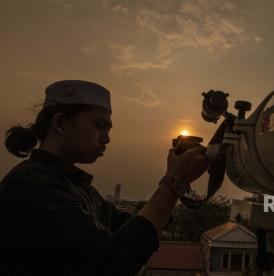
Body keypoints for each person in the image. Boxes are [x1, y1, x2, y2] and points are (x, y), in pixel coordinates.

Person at [0, 80, 208, 276]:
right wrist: (174, 181)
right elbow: (113, 261)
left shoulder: (74, 185)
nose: (106, 138)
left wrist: (179, 178)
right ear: (60, 122)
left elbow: (130, 227)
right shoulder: (31, 185)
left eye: (108, 129)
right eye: (99, 126)